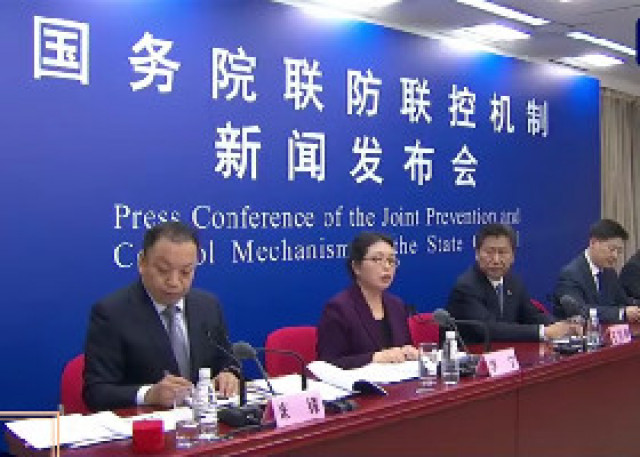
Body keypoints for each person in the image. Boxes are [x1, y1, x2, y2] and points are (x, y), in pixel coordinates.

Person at [83, 222, 240, 411]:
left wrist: (229, 375)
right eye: (163, 270)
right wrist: (149, 394)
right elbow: (96, 392)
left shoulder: (208, 306)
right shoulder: (111, 313)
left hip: (204, 421)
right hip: (147, 423)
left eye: (185, 272)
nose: (174, 282)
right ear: (142, 263)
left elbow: (227, 361)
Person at [446, 224, 579, 344]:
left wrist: (563, 326)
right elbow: (488, 329)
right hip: (471, 357)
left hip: (504, 356)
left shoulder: (513, 282)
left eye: (502, 252)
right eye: (489, 252)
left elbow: (532, 315)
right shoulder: (466, 286)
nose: (496, 260)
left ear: (513, 256)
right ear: (477, 254)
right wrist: (544, 332)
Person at [317, 232, 418, 369]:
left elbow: (404, 345)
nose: (387, 266)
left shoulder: (396, 305)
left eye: (391, 260)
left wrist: (408, 352)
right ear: (356, 267)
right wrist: (373, 358)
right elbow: (328, 364)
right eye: (377, 259)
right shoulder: (339, 308)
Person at [553, 219, 640, 323]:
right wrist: (621, 313)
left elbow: (623, 301)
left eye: (619, 251)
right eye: (612, 249)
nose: (615, 256)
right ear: (593, 242)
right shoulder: (571, 274)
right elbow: (580, 310)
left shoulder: (610, 273)